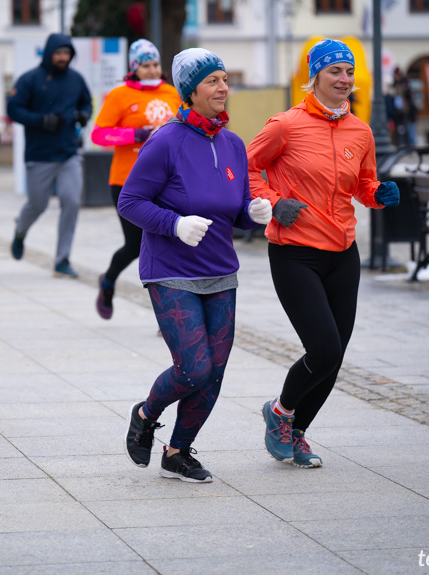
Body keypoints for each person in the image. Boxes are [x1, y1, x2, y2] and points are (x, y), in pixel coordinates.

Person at [119, 48, 273, 483]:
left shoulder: (233, 144)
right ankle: (146, 415)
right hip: (170, 270)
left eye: (225, 79)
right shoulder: (165, 141)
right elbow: (130, 202)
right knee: (194, 367)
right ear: (190, 91)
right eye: (213, 81)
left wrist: (253, 216)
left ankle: (177, 452)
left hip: (221, 272)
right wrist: (174, 223)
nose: (224, 88)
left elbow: (235, 208)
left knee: (214, 375)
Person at [246, 38, 400, 468]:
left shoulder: (361, 130)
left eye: (349, 72)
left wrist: (378, 194)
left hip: (342, 252)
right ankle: (279, 412)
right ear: (313, 77)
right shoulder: (285, 125)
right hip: (295, 251)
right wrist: (274, 201)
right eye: (335, 72)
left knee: (333, 359)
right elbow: (247, 166)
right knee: (325, 349)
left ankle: (296, 434)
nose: (344, 80)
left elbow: (362, 186)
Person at [91, 39, 181, 319]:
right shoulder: (119, 95)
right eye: (146, 65)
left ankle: (171, 312)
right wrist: (134, 135)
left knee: (168, 244)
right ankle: (108, 281)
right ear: (134, 68)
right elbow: (99, 135)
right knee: (135, 246)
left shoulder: (172, 92)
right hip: (127, 182)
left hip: (166, 182)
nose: (153, 70)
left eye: (155, 64)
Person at [7, 33, 92, 278]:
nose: (63, 57)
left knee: (72, 201)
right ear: (49, 54)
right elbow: (14, 109)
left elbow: (86, 103)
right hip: (39, 154)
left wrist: (84, 114)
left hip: (68, 153)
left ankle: (62, 259)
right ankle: (20, 229)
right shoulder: (30, 79)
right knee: (38, 204)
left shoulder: (76, 79)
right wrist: (41, 120)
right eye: (58, 53)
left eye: (66, 53)